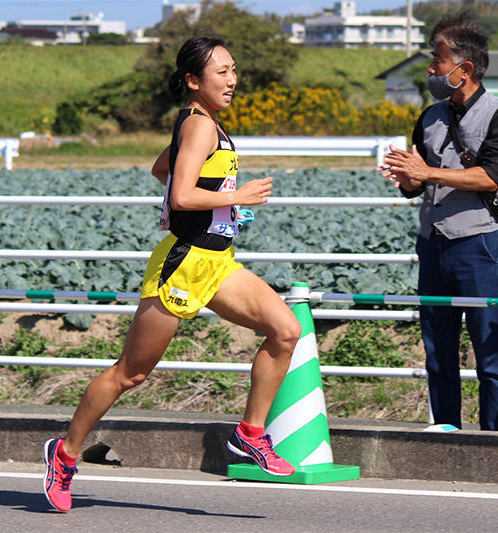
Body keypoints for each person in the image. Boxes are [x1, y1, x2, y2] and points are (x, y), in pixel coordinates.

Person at [42, 35, 302, 512]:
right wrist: (233, 198)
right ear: (192, 80)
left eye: (233, 69)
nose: (232, 79)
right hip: (182, 263)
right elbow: (180, 195)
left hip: (217, 261)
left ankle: (250, 435)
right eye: (221, 71)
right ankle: (65, 453)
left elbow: (162, 167)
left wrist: (219, 206)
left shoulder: (201, 125)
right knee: (131, 373)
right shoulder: (200, 126)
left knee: (286, 330)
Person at [377, 12, 498, 431]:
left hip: (479, 243)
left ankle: (494, 437)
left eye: (438, 60)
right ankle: (445, 433)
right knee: (437, 350)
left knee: (488, 348)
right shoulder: (429, 116)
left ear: (465, 69)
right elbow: (417, 181)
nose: (431, 69)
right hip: (433, 242)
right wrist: (405, 177)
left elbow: (491, 176)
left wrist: (427, 174)